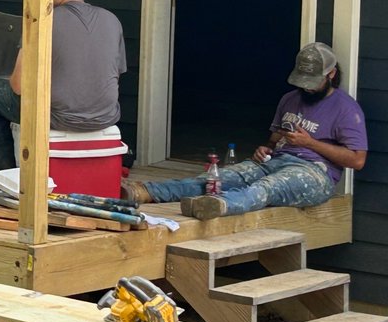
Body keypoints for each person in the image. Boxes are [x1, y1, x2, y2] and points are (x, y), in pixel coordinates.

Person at [123, 42, 367, 219]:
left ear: (331, 74)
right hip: (276, 161)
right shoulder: (290, 99)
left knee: (265, 188)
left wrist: (310, 143)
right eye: (303, 82)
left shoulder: (346, 108)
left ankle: (216, 206)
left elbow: (357, 160)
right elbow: (274, 139)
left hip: (314, 172)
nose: (307, 89)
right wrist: (265, 148)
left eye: (312, 83)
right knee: (218, 178)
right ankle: (145, 192)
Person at [0, 0, 125, 174]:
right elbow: (115, 74)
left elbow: (18, 86)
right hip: (106, 115)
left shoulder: (42, 21)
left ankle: (1, 176)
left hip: (58, 117)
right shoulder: (112, 20)